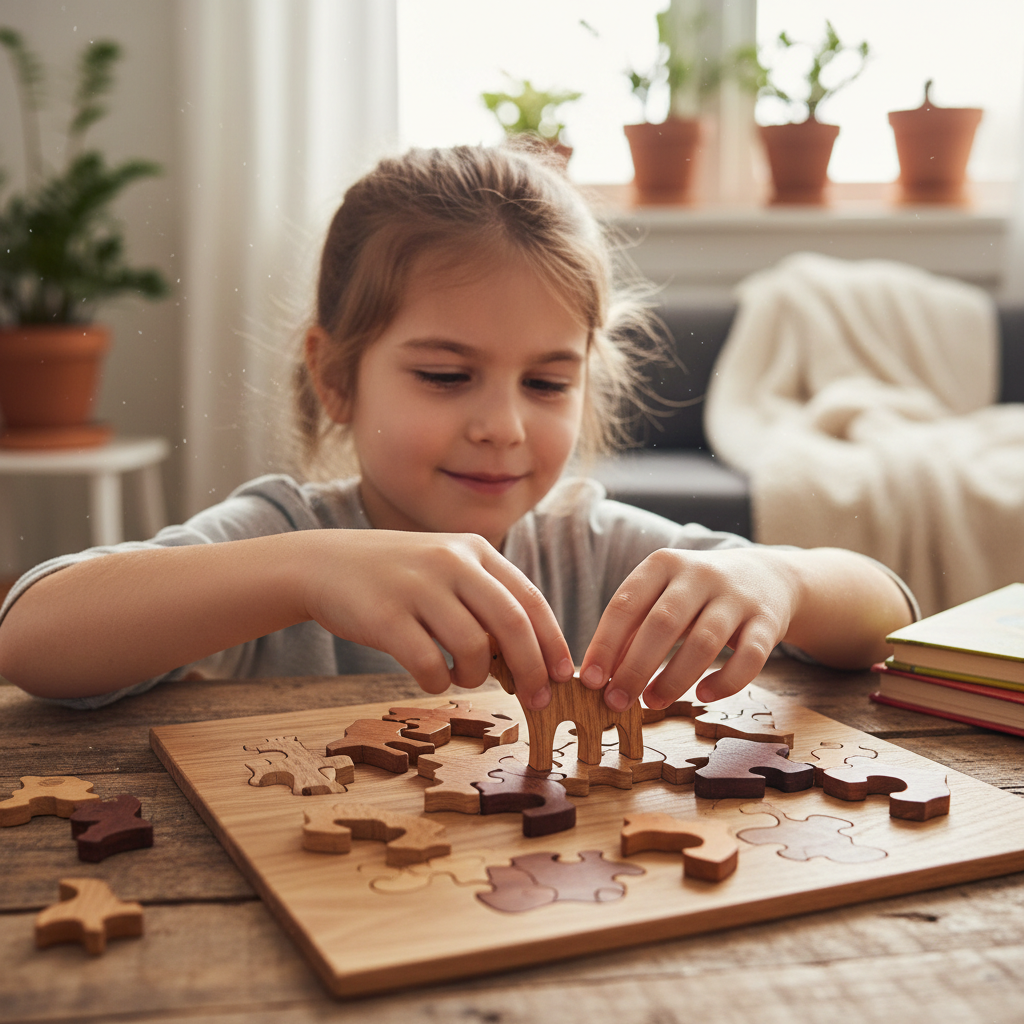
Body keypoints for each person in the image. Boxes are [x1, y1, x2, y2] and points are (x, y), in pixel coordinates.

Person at [0, 144, 915, 712]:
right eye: (445, 376)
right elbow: (30, 635)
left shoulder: (598, 552)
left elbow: (891, 622)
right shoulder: (287, 536)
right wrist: (304, 572)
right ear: (335, 376)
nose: (503, 427)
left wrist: (783, 577)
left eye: (547, 382)